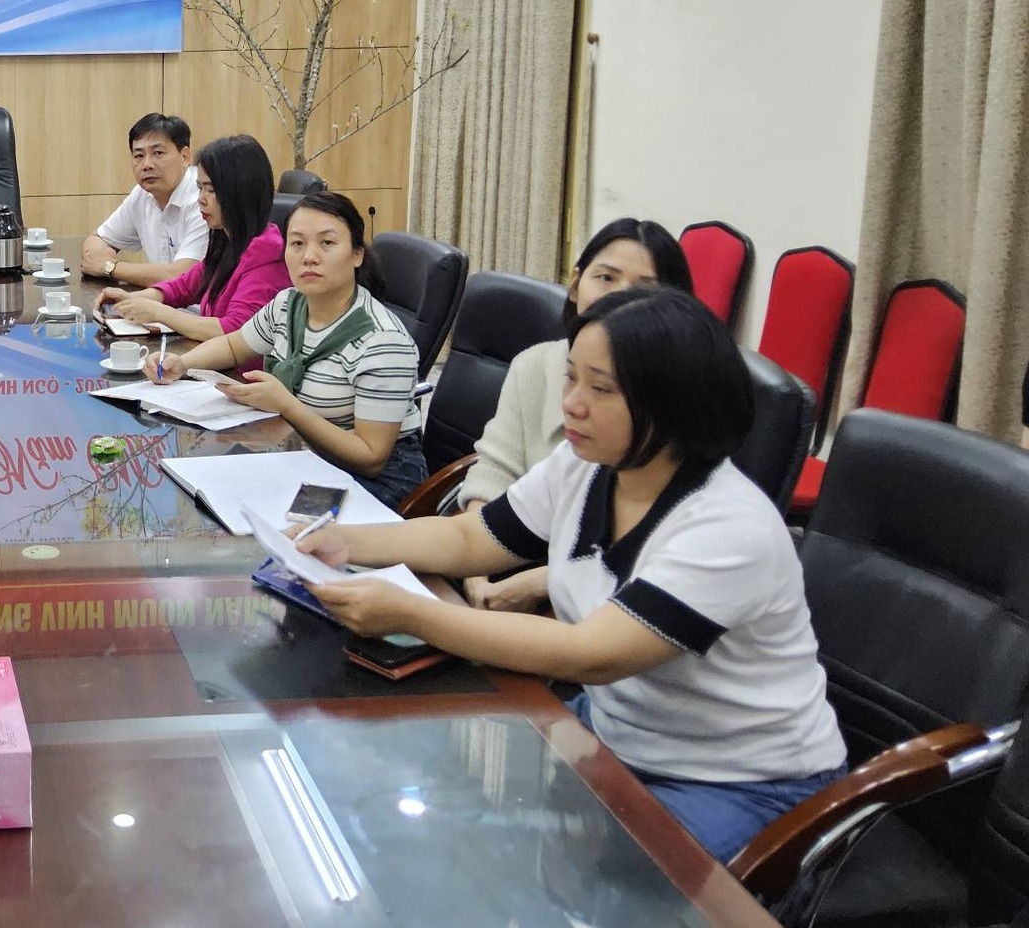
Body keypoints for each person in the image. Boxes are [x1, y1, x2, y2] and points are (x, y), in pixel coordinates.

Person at [295, 288, 846, 862]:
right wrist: (346, 540)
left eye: (600, 389)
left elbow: (591, 654)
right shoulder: (586, 467)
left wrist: (413, 614)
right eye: (571, 378)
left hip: (743, 781)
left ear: (673, 402)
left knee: (605, 881)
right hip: (619, 732)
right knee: (451, 807)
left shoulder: (729, 527)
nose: (572, 405)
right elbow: (469, 539)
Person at [455, 218, 694, 613]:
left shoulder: (674, 400)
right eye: (606, 278)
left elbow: (641, 546)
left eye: (644, 289)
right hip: (506, 550)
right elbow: (494, 472)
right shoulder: (535, 364)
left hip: (614, 598)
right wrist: (475, 574)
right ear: (576, 283)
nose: (620, 298)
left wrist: (540, 582)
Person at [154, 191, 426, 507]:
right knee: (209, 489)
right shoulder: (288, 304)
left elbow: (370, 457)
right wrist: (181, 364)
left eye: (327, 243)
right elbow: (233, 345)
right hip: (307, 452)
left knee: (256, 512)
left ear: (357, 254)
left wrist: (286, 405)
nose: (309, 256)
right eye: (297, 243)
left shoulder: (382, 341)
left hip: (381, 479)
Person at [94, 134, 290, 343]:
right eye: (199, 188)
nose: (200, 199)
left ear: (241, 193)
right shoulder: (227, 242)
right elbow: (184, 287)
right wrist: (132, 299)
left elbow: (234, 332)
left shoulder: (267, 259)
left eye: (211, 190)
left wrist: (158, 312)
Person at [81, 113, 210, 287]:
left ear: (184, 156)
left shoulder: (203, 199)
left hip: (202, 304)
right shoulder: (142, 195)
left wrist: (110, 266)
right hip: (160, 300)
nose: (147, 164)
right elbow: (98, 240)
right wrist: (98, 259)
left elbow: (182, 277)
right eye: (139, 156)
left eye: (158, 153)